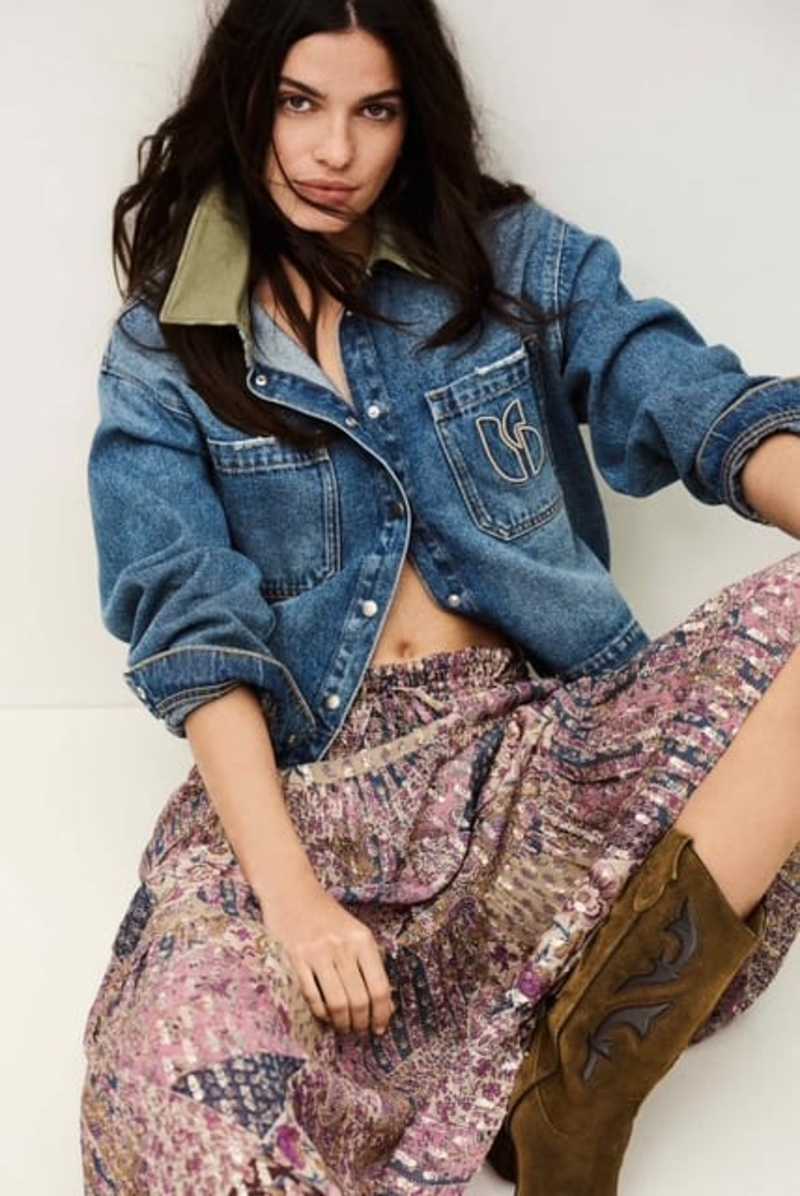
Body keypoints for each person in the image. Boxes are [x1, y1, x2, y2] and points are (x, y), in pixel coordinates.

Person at [80, 2, 800, 1193]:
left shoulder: (511, 260)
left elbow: (682, 396)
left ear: (414, 120)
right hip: (315, 798)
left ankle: (585, 1074)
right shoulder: (164, 351)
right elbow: (192, 631)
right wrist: (296, 906)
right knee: (172, 1105)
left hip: (540, 766)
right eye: (298, 104)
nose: (334, 151)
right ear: (241, 103)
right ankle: (519, 1058)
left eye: (375, 110)